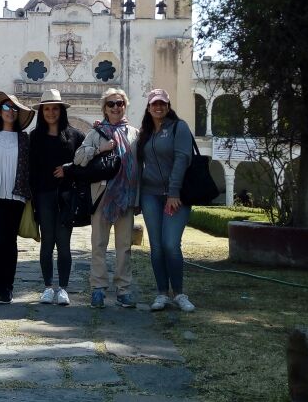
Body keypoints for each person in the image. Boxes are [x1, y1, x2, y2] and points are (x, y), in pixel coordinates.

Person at [74, 87, 140, 308]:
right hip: (102, 194)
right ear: (104, 108)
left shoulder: (134, 134)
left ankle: (124, 289)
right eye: (111, 104)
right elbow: (79, 158)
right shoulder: (95, 133)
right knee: (99, 244)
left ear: (125, 106)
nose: (116, 107)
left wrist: (137, 197)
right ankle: (98, 289)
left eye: (120, 103)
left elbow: (139, 167)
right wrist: (100, 149)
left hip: (126, 196)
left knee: (124, 246)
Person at [137, 88, 196, 312]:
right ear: (149, 107)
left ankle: (179, 293)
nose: (158, 107)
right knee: (157, 247)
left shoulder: (179, 127)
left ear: (168, 106)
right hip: (150, 195)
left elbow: (182, 158)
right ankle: (162, 293)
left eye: (162, 103)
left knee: (171, 245)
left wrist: (173, 192)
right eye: (154, 104)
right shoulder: (146, 132)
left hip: (175, 197)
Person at [29, 88, 85, 306]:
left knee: (63, 243)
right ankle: (47, 287)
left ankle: (63, 287)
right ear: (42, 112)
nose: (51, 112)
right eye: (47, 109)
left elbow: (85, 166)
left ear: (61, 110)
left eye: (55, 108)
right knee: (47, 243)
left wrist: (68, 170)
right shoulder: (35, 137)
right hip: (43, 196)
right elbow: (31, 170)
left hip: (66, 197)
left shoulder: (75, 136)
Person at [0, 91, 35, 304]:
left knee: (10, 241)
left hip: (16, 195)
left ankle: (8, 286)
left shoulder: (24, 139)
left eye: (15, 109)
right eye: (7, 107)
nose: (11, 112)